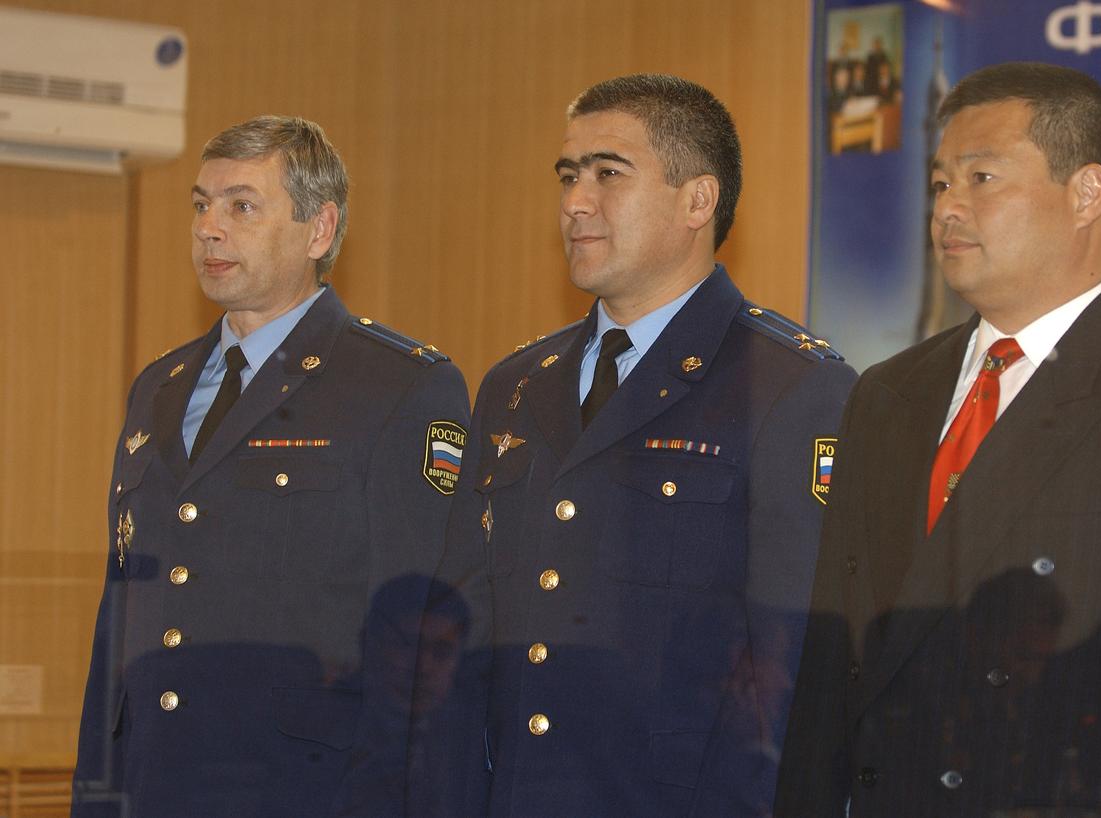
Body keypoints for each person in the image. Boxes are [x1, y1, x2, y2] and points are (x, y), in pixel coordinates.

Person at [776, 62, 1101, 817]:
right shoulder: (886, 392)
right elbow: (831, 668)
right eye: (940, 183)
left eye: (981, 178)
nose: (948, 208)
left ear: (1086, 194)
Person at [417, 73, 857, 817]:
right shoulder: (515, 385)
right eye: (568, 175)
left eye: (608, 174)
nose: (575, 202)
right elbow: (468, 638)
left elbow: (800, 675)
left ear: (698, 200)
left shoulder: (791, 386)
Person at [71, 116, 470, 818]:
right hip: (151, 785)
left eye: (242, 206)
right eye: (202, 204)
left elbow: (419, 640)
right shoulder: (158, 388)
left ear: (319, 230)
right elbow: (119, 622)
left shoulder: (398, 386)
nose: (209, 228)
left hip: (303, 789)